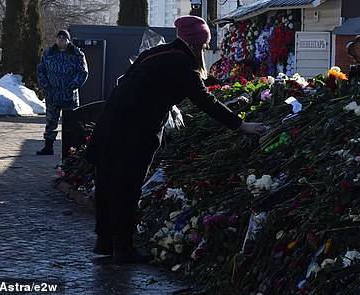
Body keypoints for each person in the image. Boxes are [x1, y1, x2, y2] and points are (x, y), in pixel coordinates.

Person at [86, 15, 267, 264]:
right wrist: (241, 125)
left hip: (109, 122)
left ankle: (104, 241)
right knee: (126, 187)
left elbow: (135, 79)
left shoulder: (158, 53)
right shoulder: (182, 62)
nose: (205, 49)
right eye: (204, 45)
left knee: (106, 182)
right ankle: (124, 248)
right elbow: (204, 99)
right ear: (197, 43)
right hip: (134, 131)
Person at [36, 29, 89, 156]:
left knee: (71, 123)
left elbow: (83, 72)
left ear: (68, 40)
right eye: (59, 37)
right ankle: (48, 147)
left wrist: (73, 85)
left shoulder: (77, 54)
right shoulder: (48, 53)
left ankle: (71, 149)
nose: (61, 39)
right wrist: (46, 85)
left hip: (69, 96)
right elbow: (41, 70)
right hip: (52, 95)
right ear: (56, 39)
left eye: (64, 37)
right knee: (51, 122)